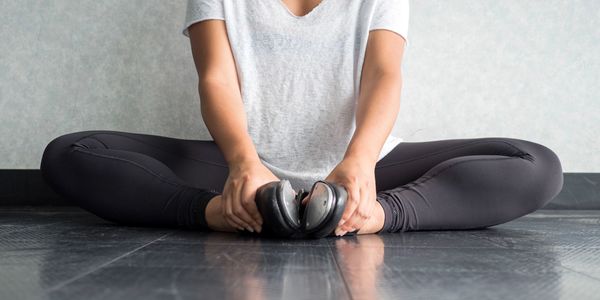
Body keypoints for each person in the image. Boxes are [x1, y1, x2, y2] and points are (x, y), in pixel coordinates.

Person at [40, 0, 564, 238]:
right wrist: (244, 165)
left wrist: (359, 166)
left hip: (362, 169)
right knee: (70, 153)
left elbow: (384, 74)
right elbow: (216, 78)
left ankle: (372, 216)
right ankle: (220, 213)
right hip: (246, 169)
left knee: (535, 164)